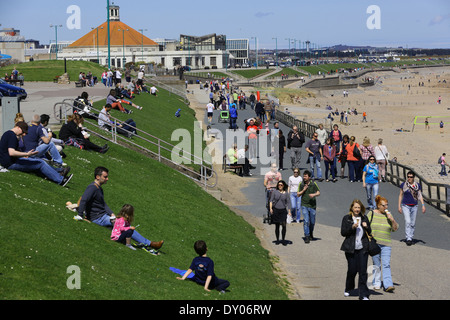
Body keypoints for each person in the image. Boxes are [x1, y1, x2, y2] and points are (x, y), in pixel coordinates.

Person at [0, 121, 72, 187]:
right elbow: (11, 152)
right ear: (18, 128)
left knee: (36, 160)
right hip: (10, 164)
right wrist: (26, 154)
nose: (23, 134)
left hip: (9, 162)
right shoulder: (12, 136)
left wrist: (25, 155)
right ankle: (61, 180)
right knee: (40, 163)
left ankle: (58, 172)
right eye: (23, 132)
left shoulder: (7, 134)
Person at [340, 199, 372, 300]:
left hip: (363, 248)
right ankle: (349, 288)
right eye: (355, 207)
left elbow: (370, 232)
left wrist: (366, 227)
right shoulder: (347, 218)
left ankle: (363, 294)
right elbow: (343, 232)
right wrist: (352, 227)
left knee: (362, 271)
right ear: (352, 208)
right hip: (350, 249)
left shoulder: (364, 218)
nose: (357, 209)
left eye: (359, 208)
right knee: (352, 270)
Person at [371, 195, 399, 292]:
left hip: (386, 243)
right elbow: (365, 225)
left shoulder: (388, 215)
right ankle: (376, 282)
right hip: (374, 243)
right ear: (378, 205)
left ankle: (388, 284)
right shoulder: (371, 214)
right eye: (383, 205)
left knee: (386, 264)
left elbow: (395, 229)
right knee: (376, 264)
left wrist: (392, 220)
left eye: (387, 205)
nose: (386, 207)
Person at [398, 171, 425, 246]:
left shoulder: (417, 185)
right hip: (405, 205)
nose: (409, 178)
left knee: (412, 223)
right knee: (408, 221)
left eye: (411, 177)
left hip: (414, 206)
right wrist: (399, 206)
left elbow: (419, 195)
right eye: (408, 177)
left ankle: (411, 236)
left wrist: (423, 205)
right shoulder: (403, 185)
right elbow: (400, 195)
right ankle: (408, 238)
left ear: (414, 177)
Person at [297, 170, 320, 243]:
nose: (304, 177)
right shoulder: (301, 184)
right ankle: (307, 236)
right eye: (303, 176)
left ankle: (311, 233)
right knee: (306, 221)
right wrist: (303, 190)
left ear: (309, 177)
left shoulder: (313, 184)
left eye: (305, 176)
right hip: (304, 205)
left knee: (312, 222)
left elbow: (318, 192)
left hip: (312, 205)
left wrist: (314, 195)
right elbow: (298, 194)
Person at [269, 180, 292, 245]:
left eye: (281, 185)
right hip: (276, 210)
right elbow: (271, 200)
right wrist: (271, 208)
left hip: (283, 210)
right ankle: (277, 240)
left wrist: (289, 211)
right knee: (277, 226)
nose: (280, 186)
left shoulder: (286, 193)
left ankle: (283, 239)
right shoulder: (274, 192)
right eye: (279, 185)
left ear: (283, 185)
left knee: (284, 225)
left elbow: (288, 203)